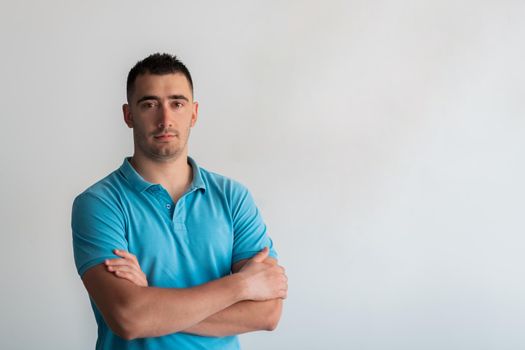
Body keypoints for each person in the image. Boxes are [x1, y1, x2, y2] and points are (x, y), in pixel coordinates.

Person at [71, 53, 287, 350]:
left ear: (194, 113)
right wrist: (242, 285)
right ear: (128, 114)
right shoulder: (99, 204)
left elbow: (267, 312)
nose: (165, 119)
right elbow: (129, 317)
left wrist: (153, 301)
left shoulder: (233, 197)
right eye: (149, 104)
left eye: (177, 103)